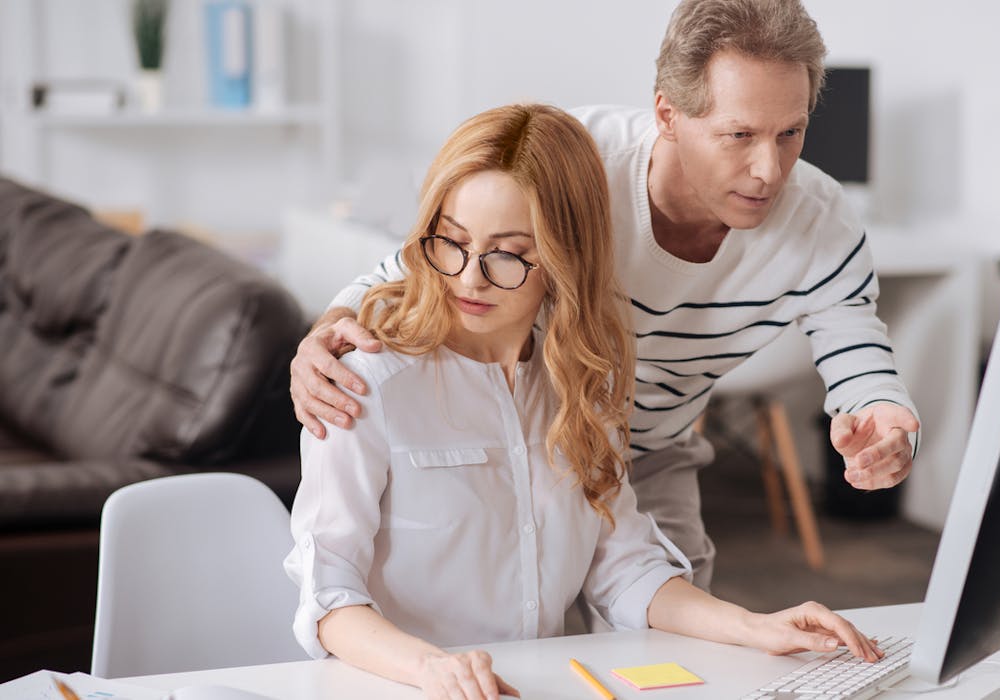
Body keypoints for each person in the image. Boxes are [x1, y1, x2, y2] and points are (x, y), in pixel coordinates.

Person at [289, 0, 920, 591]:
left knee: (676, 615)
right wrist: (329, 329)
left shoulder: (821, 221)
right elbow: (430, 259)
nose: (769, 170)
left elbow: (857, 347)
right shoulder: (575, 162)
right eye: (739, 135)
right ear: (668, 114)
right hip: (530, 435)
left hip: (652, 450)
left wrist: (888, 421)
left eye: (790, 133)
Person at [284, 103, 882, 700]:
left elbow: (623, 568)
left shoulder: (582, 384)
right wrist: (433, 670)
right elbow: (328, 597)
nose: (469, 278)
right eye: (453, 242)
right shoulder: (363, 385)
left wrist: (755, 627)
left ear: (564, 255)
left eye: (509, 253)